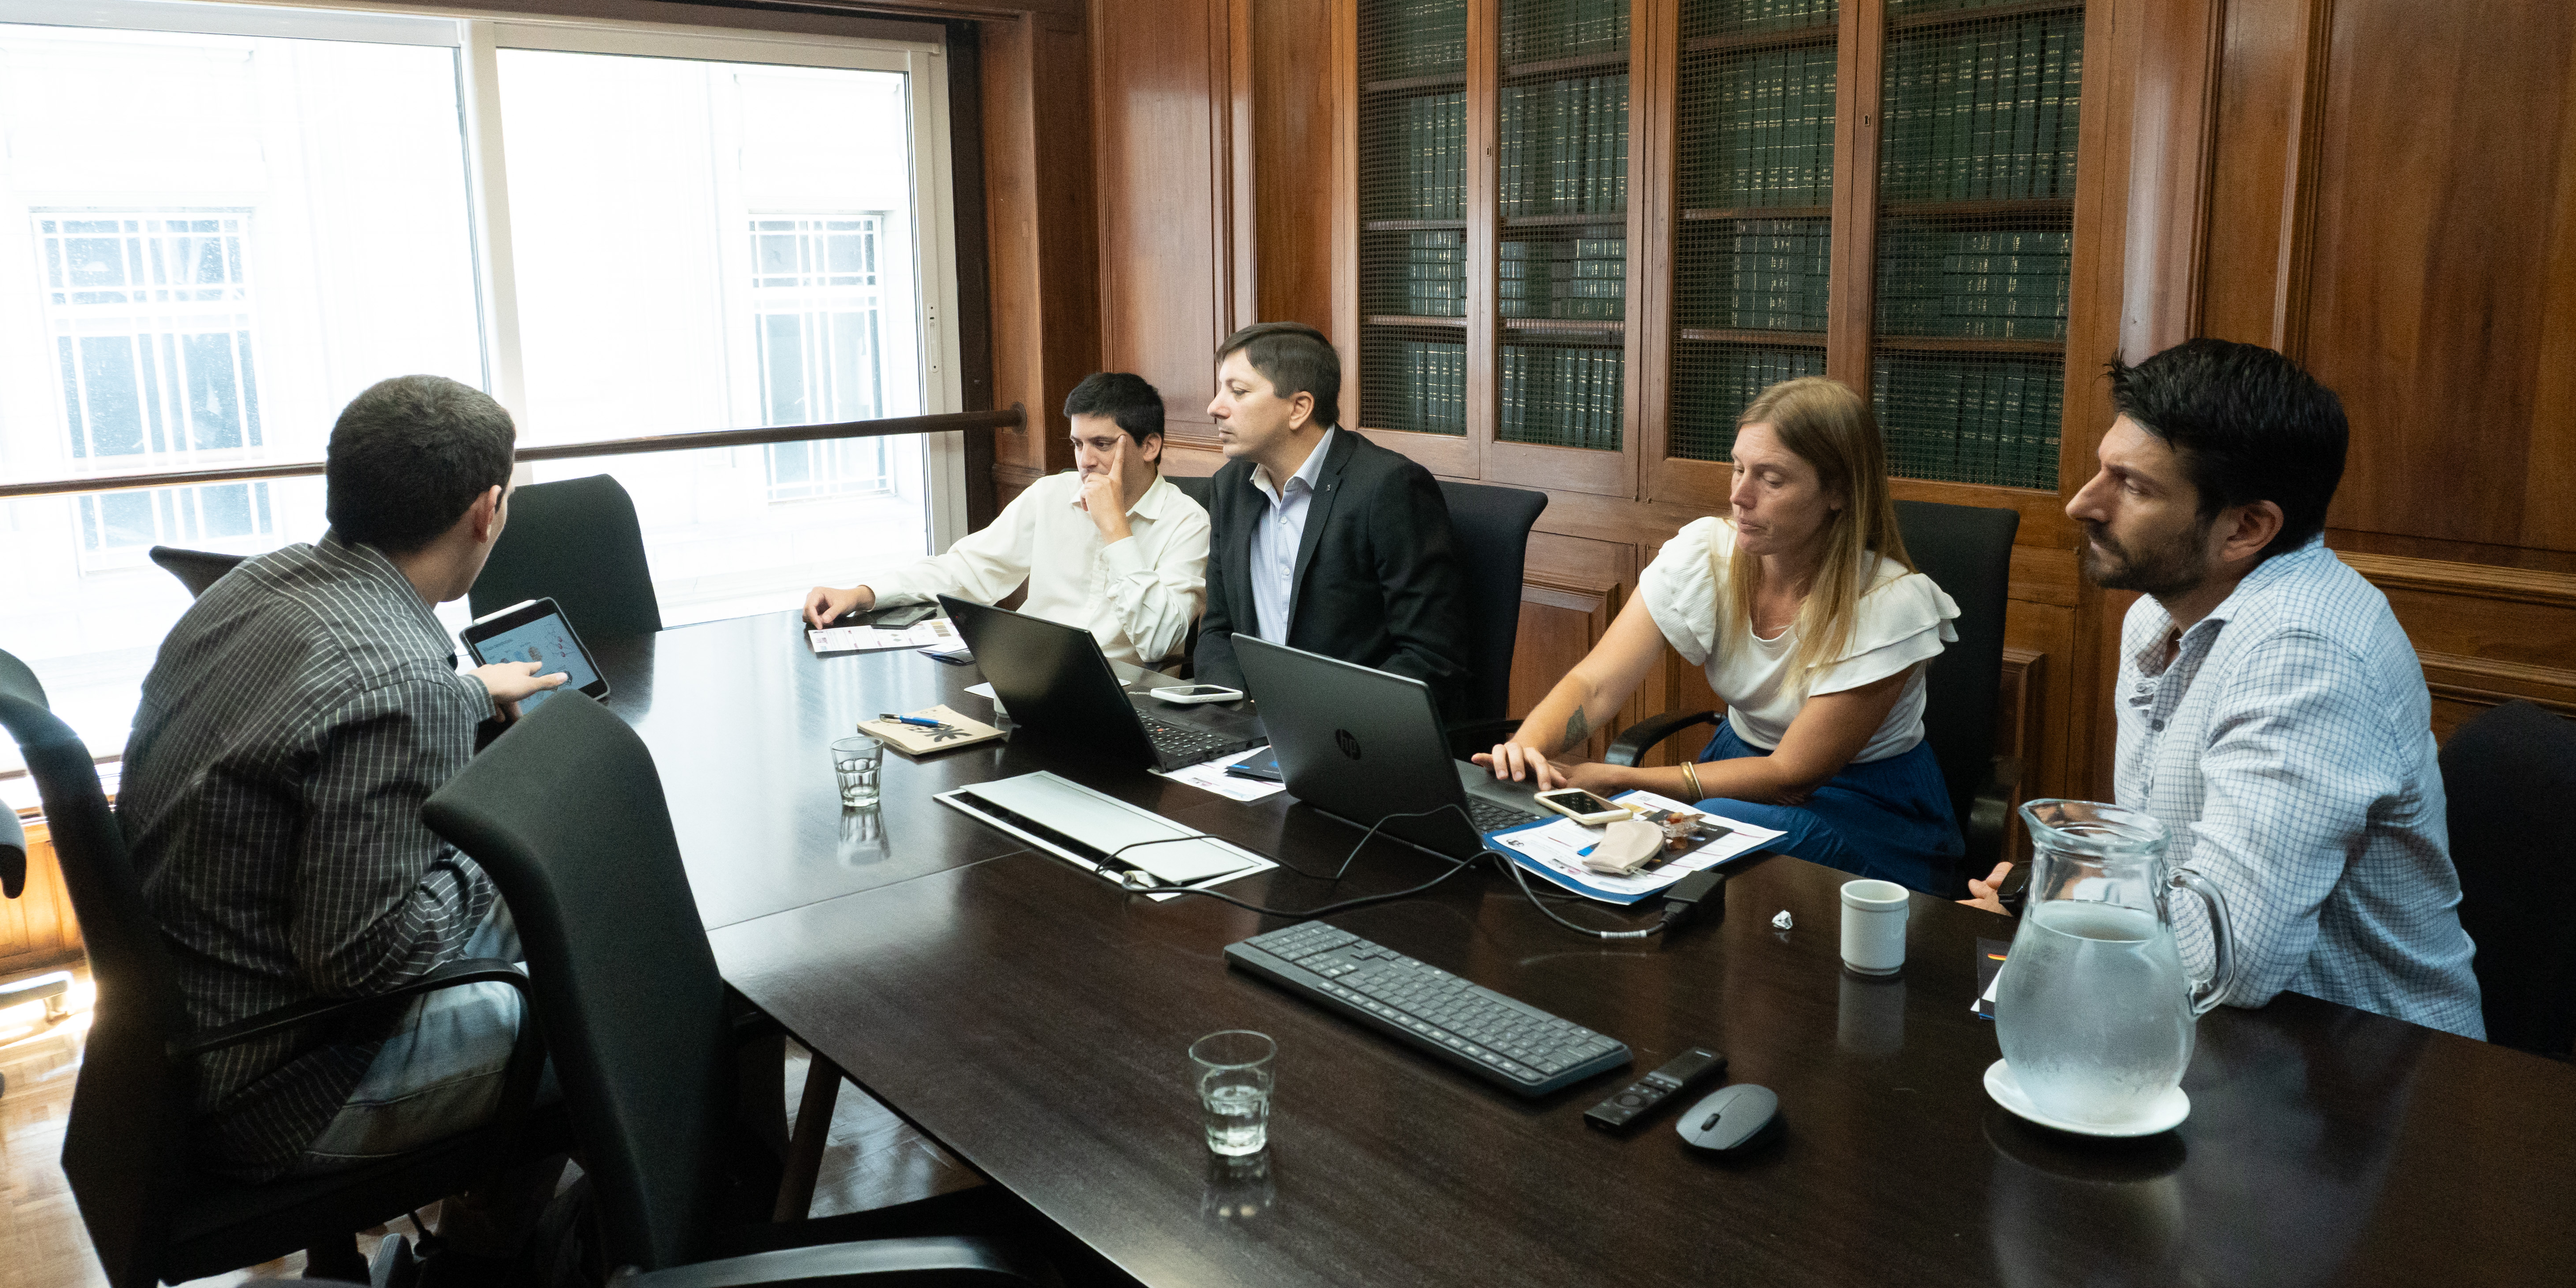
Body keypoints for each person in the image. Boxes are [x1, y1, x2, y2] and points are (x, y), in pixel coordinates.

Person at [1965, 339, 2484, 1037]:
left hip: (2364, 1079)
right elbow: (2171, 870)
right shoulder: (2165, 610)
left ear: (2248, 527)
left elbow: (2227, 961)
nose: (2082, 505)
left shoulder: (2304, 657)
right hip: (2233, 1033)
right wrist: (2053, 891)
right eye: (2102, 470)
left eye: (2135, 487)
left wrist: (2051, 910)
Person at [120, 375, 566, 1185]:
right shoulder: (402, 686)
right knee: (620, 1010)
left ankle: (498, 1249)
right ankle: (507, 1264)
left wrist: (467, 693)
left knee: (573, 915)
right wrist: (494, 826)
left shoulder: (259, 583)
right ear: (487, 509)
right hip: (285, 1085)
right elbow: (364, 961)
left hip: (187, 1033)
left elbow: (328, 711)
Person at [1479, 377, 1963, 892]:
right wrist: (1526, 748)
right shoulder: (1708, 554)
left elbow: (1791, 777)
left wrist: (1622, 778)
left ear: (1839, 491)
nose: (1739, 496)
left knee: (1676, 841)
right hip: (1731, 771)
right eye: (1738, 468)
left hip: (1866, 809)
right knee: (1639, 844)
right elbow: (1597, 683)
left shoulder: (1889, 603)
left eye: (1771, 479)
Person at [802, 371, 1207, 673]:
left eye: (1102, 444)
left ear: (1149, 446)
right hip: (1030, 677)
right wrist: (863, 593)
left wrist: (1116, 529)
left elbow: (1158, 643)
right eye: (1078, 444)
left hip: (1126, 693)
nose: (1085, 461)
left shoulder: (1188, 522)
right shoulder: (1052, 494)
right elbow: (968, 570)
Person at [1192, 322, 1466, 710]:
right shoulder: (1231, 487)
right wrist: (1233, 717)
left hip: (1355, 735)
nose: (1214, 407)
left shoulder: (1388, 489)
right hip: (1253, 730)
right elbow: (1219, 630)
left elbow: (1431, 658)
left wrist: (1321, 724)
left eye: (1237, 392)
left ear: (1299, 408)